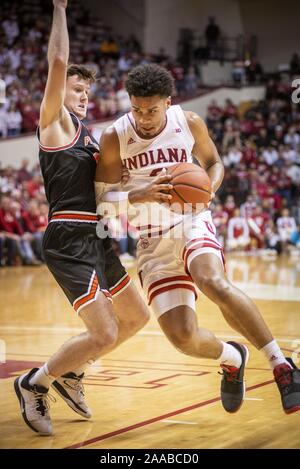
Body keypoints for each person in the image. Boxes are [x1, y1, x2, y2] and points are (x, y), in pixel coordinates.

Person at [95, 63, 300, 416]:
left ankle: (282, 365)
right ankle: (233, 357)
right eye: (137, 109)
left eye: (152, 110)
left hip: (190, 220)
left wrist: (208, 188)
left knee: (211, 280)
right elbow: (102, 203)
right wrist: (138, 194)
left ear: (168, 102)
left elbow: (214, 163)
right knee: (182, 337)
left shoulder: (187, 122)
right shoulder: (115, 136)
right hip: (151, 240)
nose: (144, 117)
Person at [14, 0, 149, 436]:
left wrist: (138, 190)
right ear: (57, 93)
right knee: (105, 333)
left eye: (87, 92)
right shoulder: (53, 123)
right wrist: (60, 8)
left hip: (98, 232)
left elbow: (106, 195)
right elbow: (58, 59)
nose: (84, 96)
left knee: (137, 318)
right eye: (76, 90)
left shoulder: (90, 136)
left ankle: (74, 372)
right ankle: (35, 382)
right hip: (69, 235)